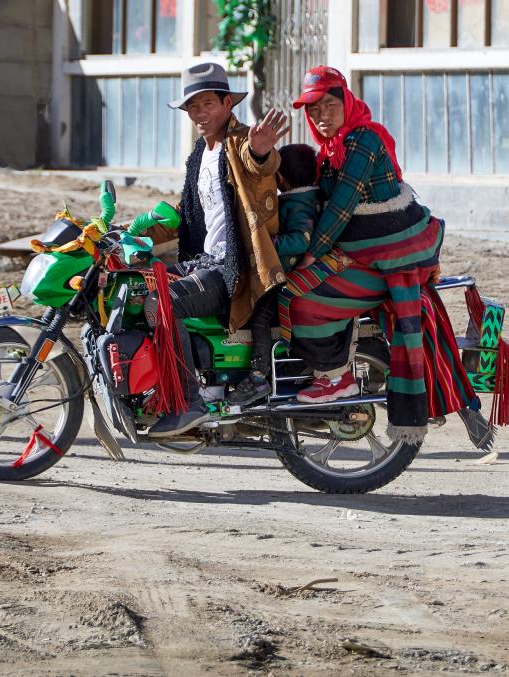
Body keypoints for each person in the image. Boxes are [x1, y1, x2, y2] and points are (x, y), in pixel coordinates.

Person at [281, 66, 445, 444]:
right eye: (314, 109)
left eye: (329, 105)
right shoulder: (333, 148)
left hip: (388, 259)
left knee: (302, 301)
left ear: (347, 101)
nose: (322, 116)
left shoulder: (362, 140)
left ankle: (337, 377)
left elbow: (341, 206)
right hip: (363, 252)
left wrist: (310, 255)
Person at [130, 62, 289, 437]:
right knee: (138, 294)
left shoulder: (238, 143)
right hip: (201, 261)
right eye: (192, 107)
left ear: (227, 103)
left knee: (163, 303)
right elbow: (182, 215)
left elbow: (258, 165)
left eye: (207, 104)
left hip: (233, 268)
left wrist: (263, 151)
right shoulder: (200, 153)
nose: (200, 114)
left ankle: (189, 403)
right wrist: (131, 233)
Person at [228, 143, 321, 406]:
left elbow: (301, 240)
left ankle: (259, 374)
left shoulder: (299, 203)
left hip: (290, 277)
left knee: (261, 314)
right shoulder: (310, 196)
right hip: (292, 273)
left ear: (279, 178)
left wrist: (266, 243)